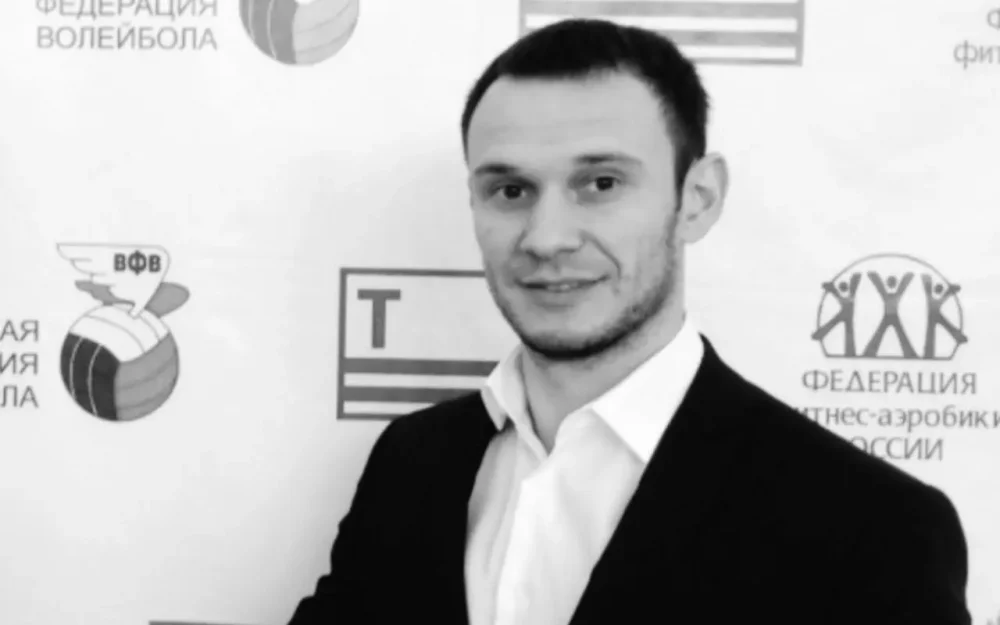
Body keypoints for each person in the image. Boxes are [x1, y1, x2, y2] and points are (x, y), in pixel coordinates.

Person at [288, 18, 971, 625]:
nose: (546, 237)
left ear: (697, 199)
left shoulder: (872, 527)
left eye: (601, 184)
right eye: (510, 189)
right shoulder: (411, 464)